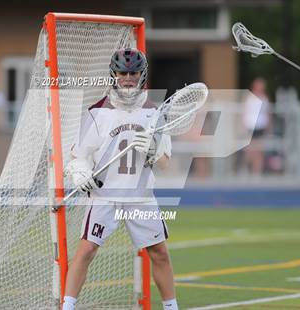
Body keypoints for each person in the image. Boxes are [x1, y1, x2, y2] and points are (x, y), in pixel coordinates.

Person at [62, 48, 178, 310]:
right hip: (105, 196)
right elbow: (78, 156)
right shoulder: (96, 112)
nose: (128, 77)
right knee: (86, 251)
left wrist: (152, 150)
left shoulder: (154, 113)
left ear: (142, 74)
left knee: (159, 253)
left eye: (133, 72)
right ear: (113, 74)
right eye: (123, 72)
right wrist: (79, 171)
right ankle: (67, 307)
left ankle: (172, 307)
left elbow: (166, 164)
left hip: (141, 197)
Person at [242, 77, 272, 175]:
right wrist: (242, 126)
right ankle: (247, 170)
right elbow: (244, 112)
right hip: (250, 126)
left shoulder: (265, 98)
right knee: (249, 150)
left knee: (259, 150)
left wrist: (268, 126)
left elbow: (268, 113)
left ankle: (257, 171)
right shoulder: (249, 97)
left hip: (260, 126)